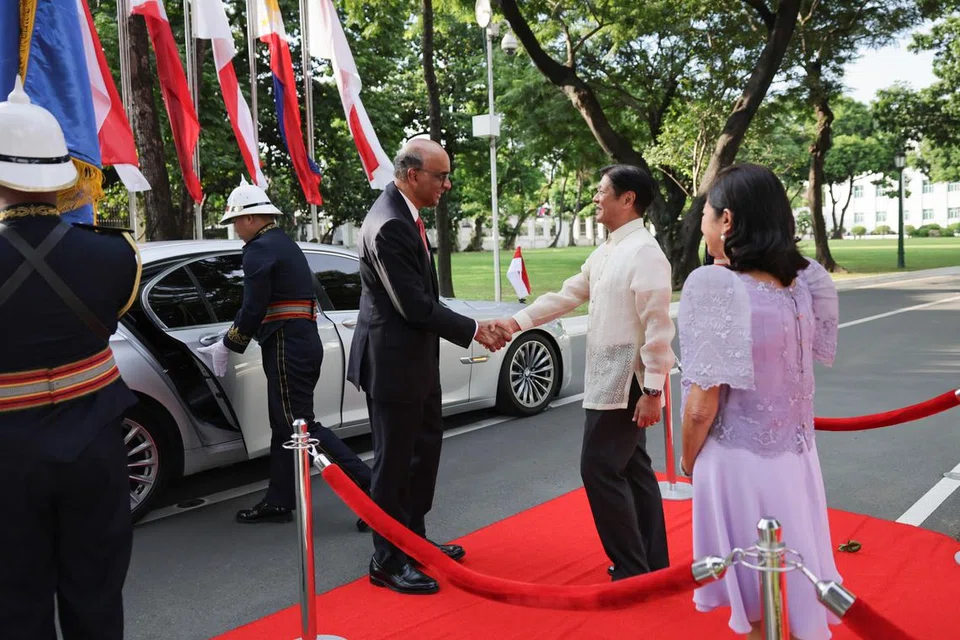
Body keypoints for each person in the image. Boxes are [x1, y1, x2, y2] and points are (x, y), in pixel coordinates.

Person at [0, 77, 138, 639]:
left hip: (6, 457)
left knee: (15, 607)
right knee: (97, 598)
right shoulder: (116, 255)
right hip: (95, 450)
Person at [678, 163, 841, 639]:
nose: (704, 226)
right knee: (787, 580)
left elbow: (701, 405)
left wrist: (688, 460)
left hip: (737, 462)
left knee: (753, 592)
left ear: (727, 221)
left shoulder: (716, 287)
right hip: (796, 458)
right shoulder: (805, 281)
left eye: (707, 215)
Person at [495, 164, 676, 581]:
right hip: (608, 378)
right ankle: (650, 564)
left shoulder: (645, 252)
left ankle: (631, 568)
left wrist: (652, 390)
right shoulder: (610, 249)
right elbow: (568, 295)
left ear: (627, 199)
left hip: (625, 382)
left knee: (598, 468)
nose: (595, 198)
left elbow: (658, 327)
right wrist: (515, 322)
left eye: (601, 190)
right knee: (633, 469)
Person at [348, 138, 510, 595]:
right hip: (393, 366)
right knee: (394, 465)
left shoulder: (404, 215)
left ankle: (413, 540)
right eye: (441, 176)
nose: (447, 184)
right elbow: (415, 307)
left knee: (422, 454)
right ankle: (387, 559)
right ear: (412, 174)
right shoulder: (389, 225)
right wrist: (475, 329)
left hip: (413, 362)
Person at [198, 179, 373, 525]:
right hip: (295, 342)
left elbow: (253, 307)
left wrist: (230, 343)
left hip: (286, 345)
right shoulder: (281, 243)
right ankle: (279, 499)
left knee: (300, 428)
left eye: (235, 222)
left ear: (250, 218)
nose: (235, 229)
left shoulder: (260, 249)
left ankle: (372, 489)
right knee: (285, 426)